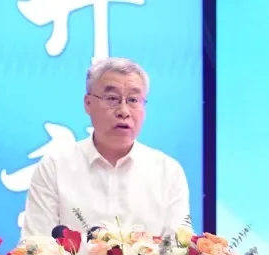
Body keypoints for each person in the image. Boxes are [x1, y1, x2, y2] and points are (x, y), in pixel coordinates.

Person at [20, 57, 191, 239]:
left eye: (133, 100)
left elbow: (178, 247)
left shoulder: (168, 172)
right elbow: (35, 244)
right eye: (112, 99)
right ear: (88, 104)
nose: (124, 111)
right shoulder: (54, 167)